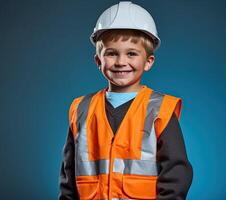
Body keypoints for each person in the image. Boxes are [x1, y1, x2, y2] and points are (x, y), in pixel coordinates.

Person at [58, 1, 193, 199]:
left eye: (131, 53)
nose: (121, 62)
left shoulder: (160, 109)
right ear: (98, 61)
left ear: (148, 61)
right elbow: (68, 173)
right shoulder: (81, 109)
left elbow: (176, 173)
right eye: (111, 53)